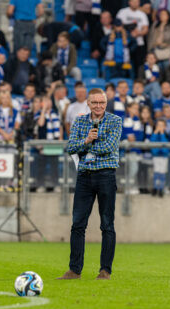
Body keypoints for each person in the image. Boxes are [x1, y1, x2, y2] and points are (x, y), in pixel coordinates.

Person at [57, 88, 122, 280]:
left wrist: (85, 146)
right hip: (84, 176)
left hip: (105, 175)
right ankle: (74, 270)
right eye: (95, 103)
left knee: (107, 224)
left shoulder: (115, 121)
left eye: (102, 102)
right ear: (88, 103)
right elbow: (71, 147)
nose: (99, 106)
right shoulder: (79, 121)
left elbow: (109, 147)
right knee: (77, 224)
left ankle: (105, 271)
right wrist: (86, 140)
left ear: (106, 102)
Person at [117, 0, 149, 76]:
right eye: (133, 1)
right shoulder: (122, 12)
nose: (135, 3)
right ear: (129, 2)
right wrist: (128, 33)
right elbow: (117, 26)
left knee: (138, 64)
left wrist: (138, 33)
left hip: (139, 43)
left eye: (137, 1)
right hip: (125, 42)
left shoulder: (142, 14)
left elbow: (145, 29)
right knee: (124, 64)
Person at [150, 118, 170, 197]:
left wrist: (162, 133)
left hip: (164, 156)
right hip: (156, 156)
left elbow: (164, 144)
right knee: (156, 172)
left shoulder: (166, 135)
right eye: (158, 125)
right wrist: (155, 132)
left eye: (162, 125)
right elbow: (152, 142)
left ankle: (161, 188)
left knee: (162, 172)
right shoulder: (154, 134)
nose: (160, 127)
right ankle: (155, 187)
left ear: (165, 127)